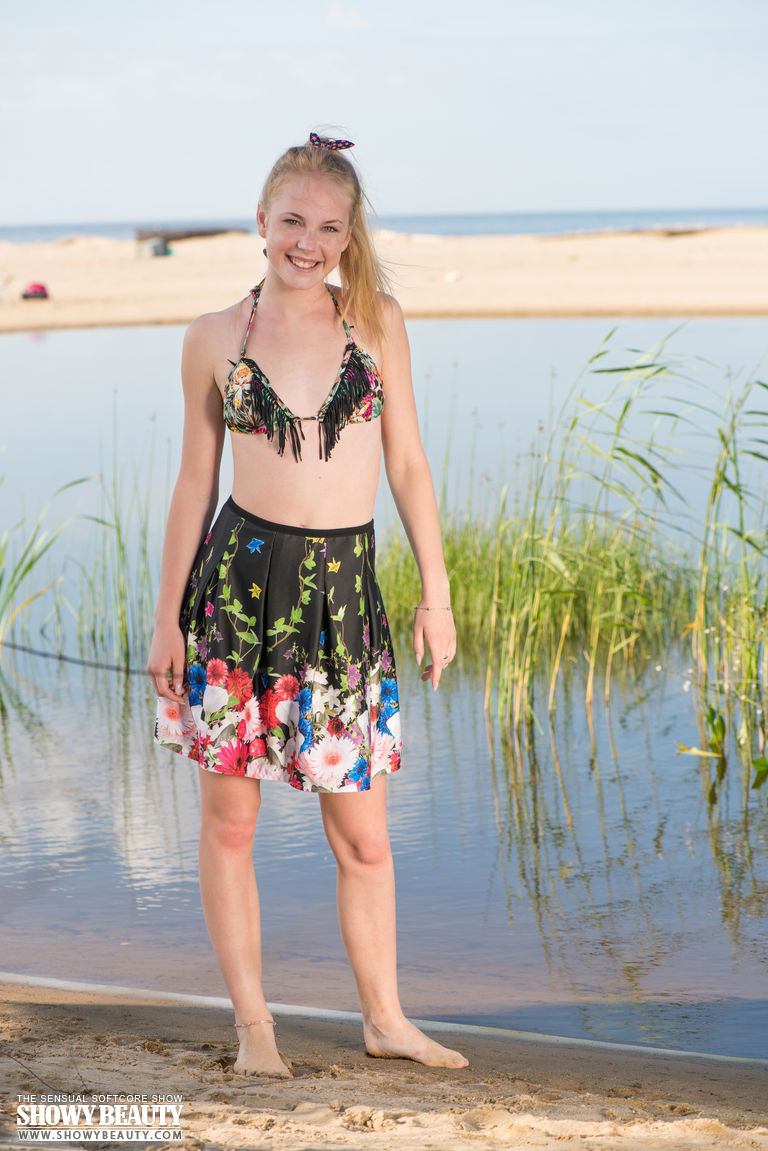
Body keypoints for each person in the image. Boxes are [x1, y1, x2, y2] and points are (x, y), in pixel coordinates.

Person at [147, 132, 467, 1078]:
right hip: (236, 598)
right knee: (231, 825)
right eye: (293, 220)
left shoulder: (378, 322)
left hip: (346, 598)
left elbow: (408, 463)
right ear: (261, 219)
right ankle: (255, 1026)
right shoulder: (214, 336)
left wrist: (437, 595)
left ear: (349, 234)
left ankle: (386, 1019)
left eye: (329, 227)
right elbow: (193, 483)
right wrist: (166, 618)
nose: (308, 241)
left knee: (363, 837)